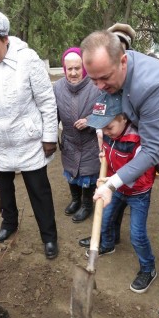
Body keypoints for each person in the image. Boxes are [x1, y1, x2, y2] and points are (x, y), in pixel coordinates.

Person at [81, 30, 159, 318]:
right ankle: (112, 239)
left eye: (104, 79)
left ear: (123, 61)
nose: (99, 86)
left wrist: (112, 182)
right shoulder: (112, 71)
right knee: (131, 187)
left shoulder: (153, 84)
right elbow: (111, 112)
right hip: (147, 137)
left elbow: (152, 151)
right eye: (93, 79)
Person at [0, 8, 58, 259]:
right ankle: (9, 224)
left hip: (28, 140)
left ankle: (49, 237)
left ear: (5, 39)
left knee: (39, 191)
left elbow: (47, 101)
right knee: (3, 190)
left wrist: (49, 136)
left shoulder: (27, 59)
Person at [79, 94, 157, 293]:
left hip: (138, 191)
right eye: (102, 127)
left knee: (137, 235)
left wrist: (110, 184)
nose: (105, 132)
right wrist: (103, 154)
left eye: (109, 127)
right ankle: (107, 244)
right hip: (115, 187)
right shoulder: (108, 133)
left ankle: (148, 269)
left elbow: (138, 171)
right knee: (105, 219)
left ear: (124, 118)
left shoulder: (138, 139)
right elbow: (107, 150)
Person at [53, 47, 101, 222]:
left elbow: (108, 111)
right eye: (69, 69)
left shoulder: (97, 85)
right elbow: (52, 114)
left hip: (90, 141)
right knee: (71, 172)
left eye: (77, 68)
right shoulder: (57, 87)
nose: (73, 73)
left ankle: (87, 204)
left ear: (85, 67)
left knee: (88, 173)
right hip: (70, 140)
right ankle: (75, 200)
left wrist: (90, 120)